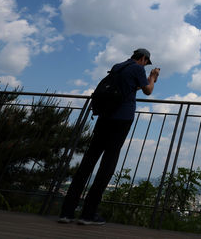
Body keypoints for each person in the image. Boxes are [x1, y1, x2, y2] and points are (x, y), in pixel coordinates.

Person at [58, 48, 160, 225]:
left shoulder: (118, 66)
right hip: (121, 119)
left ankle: (66, 212)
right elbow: (148, 91)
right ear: (143, 59)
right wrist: (153, 78)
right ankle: (88, 214)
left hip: (104, 117)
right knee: (107, 165)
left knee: (88, 162)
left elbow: (128, 86)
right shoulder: (138, 69)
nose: (145, 64)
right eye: (146, 61)